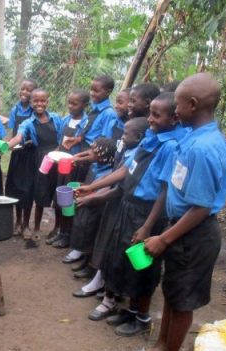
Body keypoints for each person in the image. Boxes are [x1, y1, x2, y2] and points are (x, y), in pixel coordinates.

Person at [126, 73, 226, 351]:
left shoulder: (203, 147)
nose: (175, 111)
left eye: (179, 105)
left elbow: (200, 208)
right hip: (180, 229)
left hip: (194, 234)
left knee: (183, 298)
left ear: (193, 105)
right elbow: (174, 187)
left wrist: (164, 238)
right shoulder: (191, 139)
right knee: (173, 291)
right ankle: (160, 349)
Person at [76, 92, 186, 336]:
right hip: (128, 205)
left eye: (157, 115)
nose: (151, 120)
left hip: (148, 213)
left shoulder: (170, 148)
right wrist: (92, 187)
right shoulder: (150, 139)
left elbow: (164, 191)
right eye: (151, 114)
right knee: (120, 258)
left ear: (174, 119)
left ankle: (142, 316)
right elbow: (126, 170)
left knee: (142, 264)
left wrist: (147, 226)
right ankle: (128, 308)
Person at [71, 117, 148, 289]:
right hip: (114, 195)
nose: (122, 137)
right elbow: (116, 172)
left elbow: (121, 177)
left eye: (126, 134)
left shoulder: (140, 152)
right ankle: (95, 272)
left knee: (111, 241)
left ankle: (104, 283)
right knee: (102, 235)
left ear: (138, 137)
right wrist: (91, 188)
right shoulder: (128, 149)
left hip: (123, 200)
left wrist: (93, 192)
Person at [63, 89, 130, 264]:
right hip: (92, 182)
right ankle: (78, 248)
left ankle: (85, 254)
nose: (118, 105)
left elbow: (99, 152)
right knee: (80, 219)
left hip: (98, 194)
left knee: (90, 224)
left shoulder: (107, 171)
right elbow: (96, 152)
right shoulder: (95, 165)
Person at [8, 88, 62, 241]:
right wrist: (6, 146)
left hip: (57, 158)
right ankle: (36, 227)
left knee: (57, 193)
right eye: (36, 101)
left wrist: (59, 150)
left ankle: (57, 228)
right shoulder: (28, 122)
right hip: (41, 161)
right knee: (40, 191)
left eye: (43, 100)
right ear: (31, 103)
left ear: (47, 101)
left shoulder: (56, 118)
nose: (40, 103)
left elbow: (63, 135)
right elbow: (19, 137)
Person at [46, 89, 90, 248]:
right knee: (59, 199)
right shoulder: (66, 120)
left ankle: (68, 235)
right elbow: (61, 142)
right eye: (69, 103)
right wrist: (55, 153)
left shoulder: (85, 124)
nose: (70, 106)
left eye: (74, 103)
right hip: (62, 166)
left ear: (85, 105)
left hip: (75, 167)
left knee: (69, 201)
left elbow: (86, 144)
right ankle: (61, 231)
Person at [5, 79, 38, 237]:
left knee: (28, 189)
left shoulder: (36, 110)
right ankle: (17, 222)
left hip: (31, 155)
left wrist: (31, 142)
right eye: (23, 89)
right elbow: (14, 133)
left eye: (29, 90)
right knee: (15, 187)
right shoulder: (15, 109)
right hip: (17, 153)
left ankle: (26, 224)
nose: (25, 92)